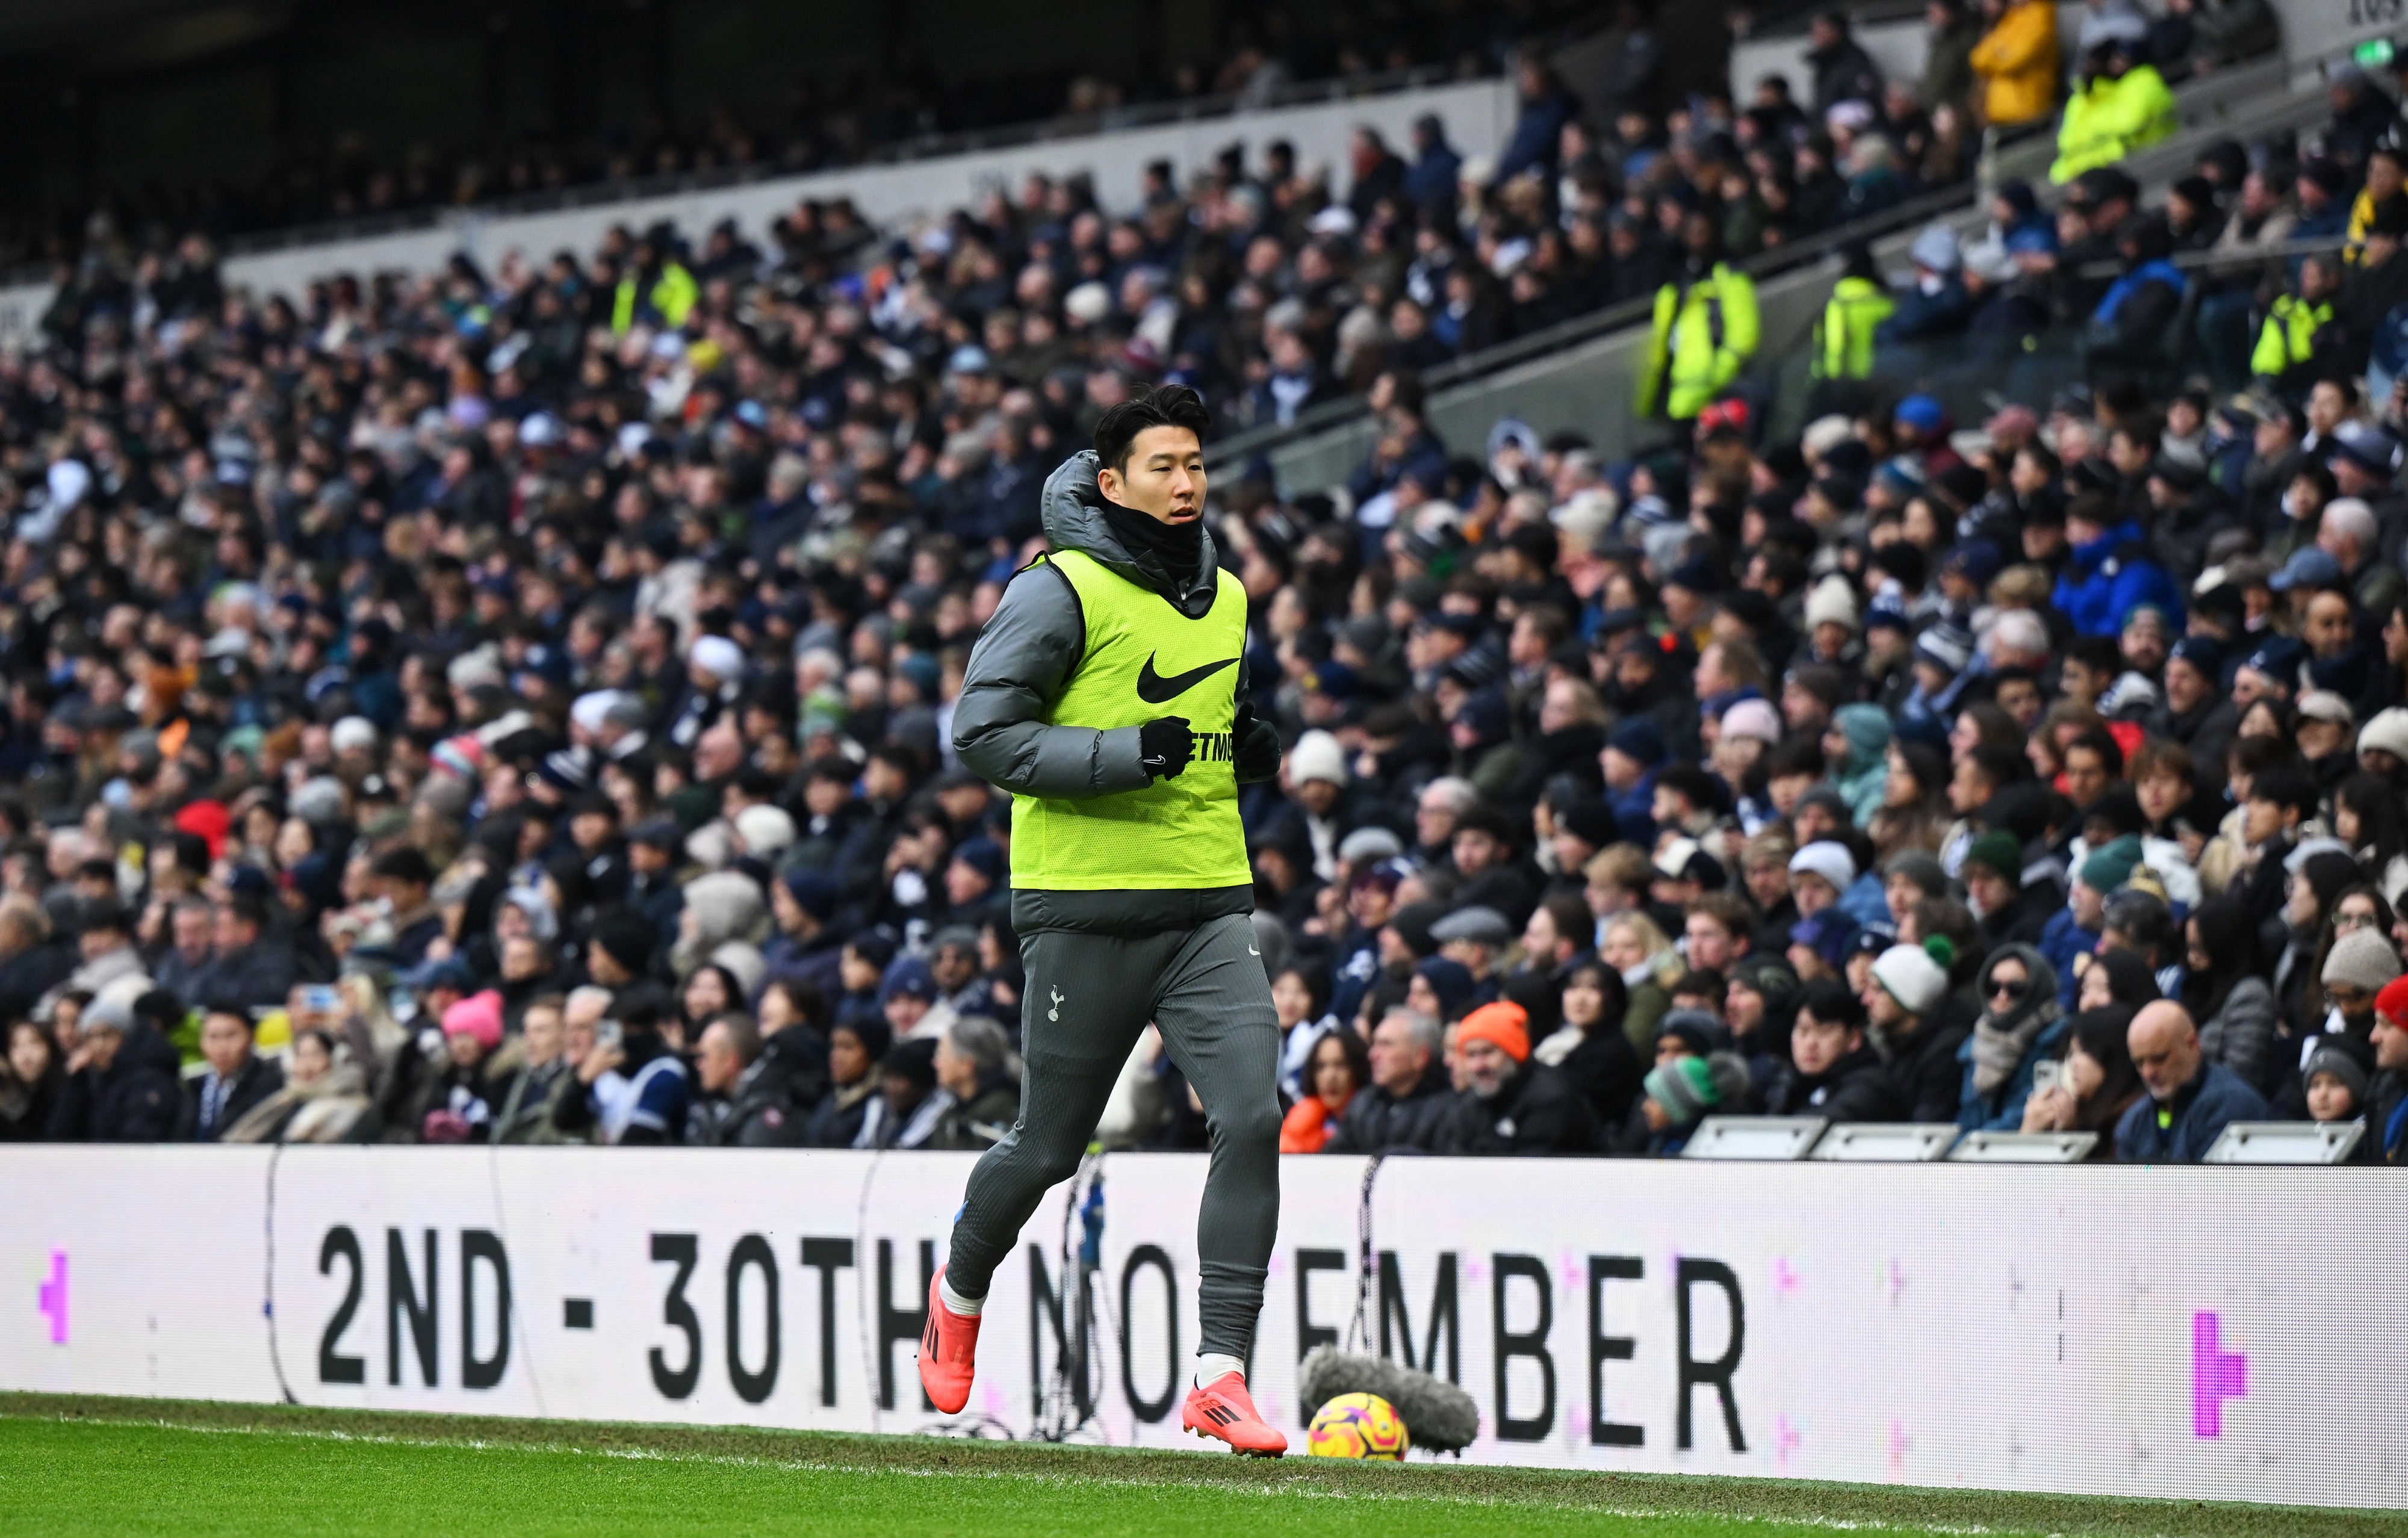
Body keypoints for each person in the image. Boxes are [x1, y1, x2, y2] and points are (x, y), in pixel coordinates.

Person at [920, 385, 1290, 1455]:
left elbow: (1208, 719)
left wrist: (1247, 743)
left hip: (1209, 902)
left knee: (1254, 1117)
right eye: (1165, 467)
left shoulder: (1223, 594)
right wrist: (1128, 756)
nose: (1188, 484)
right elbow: (983, 735)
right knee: (1047, 1145)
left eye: (1199, 465)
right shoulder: (1058, 589)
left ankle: (1220, 1372)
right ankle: (960, 1287)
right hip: (1083, 907)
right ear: (1111, 480)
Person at [2116, 1000, 2268, 1162]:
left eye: (2159, 1059)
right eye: (2139, 1063)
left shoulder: (2230, 1104)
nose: (2148, 1073)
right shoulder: (2134, 1121)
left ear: (2192, 1044)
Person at [1440, 1001, 1599, 1155]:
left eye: (1488, 1052)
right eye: (1471, 1055)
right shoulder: (1472, 1105)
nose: (1478, 1066)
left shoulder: (1551, 1101)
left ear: (1513, 1052)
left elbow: (1533, 1173)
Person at [1958, 945, 2067, 1130]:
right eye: (1993, 988)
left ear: (2037, 990)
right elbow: (1966, 1119)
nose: (2002, 996)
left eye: (2015, 989)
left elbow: (2023, 1114)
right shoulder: (1976, 1044)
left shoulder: (2056, 1039)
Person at [1766, 979, 1907, 1120]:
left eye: (1824, 1032)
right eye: (1803, 1031)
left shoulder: (1870, 1087)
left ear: (1854, 1039)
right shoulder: (1787, 1083)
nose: (1810, 1043)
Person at [1865, 937, 1971, 1121]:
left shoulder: (1944, 1052)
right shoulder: (1892, 1042)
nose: (1866, 1000)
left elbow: (1928, 1128)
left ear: (1906, 998)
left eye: (1878, 990)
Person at [2020, 1004, 2146, 1158]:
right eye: (2072, 1053)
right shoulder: (2081, 1116)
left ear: (2112, 1057)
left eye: (2084, 1051)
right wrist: (2036, 1131)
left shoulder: (2132, 1120)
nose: (2074, 1063)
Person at [1531, 961, 1644, 1129]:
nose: (1580, 998)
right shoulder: (1574, 1042)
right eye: (1573, 988)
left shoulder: (1611, 1053)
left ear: (1613, 999)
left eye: (1593, 989)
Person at [1326, 1008, 1456, 1153]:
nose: (1373, 1055)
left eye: (1386, 1045)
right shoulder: (1363, 1104)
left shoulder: (1450, 1111)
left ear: (1421, 1057)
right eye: (1374, 1044)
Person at [685, 1014, 805, 1147]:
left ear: (730, 1062)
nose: (698, 1064)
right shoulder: (725, 1105)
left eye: (704, 1056)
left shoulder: (762, 1114)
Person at [176, 1000, 285, 1142]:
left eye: (231, 1036)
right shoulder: (193, 1087)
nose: (222, 1047)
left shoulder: (268, 1085)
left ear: (251, 1037)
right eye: (213, 1037)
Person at [931, 1016, 1023, 1152]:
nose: (936, 1063)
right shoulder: (953, 1114)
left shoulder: (1003, 1118)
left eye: (941, 1054)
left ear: (966, 1065)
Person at [1279, 1027, 1370, 1153]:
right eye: (1321, 1066)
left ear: (1358, 1069)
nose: (1330, 1076)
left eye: (1341, 1064)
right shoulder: (1301, 1121)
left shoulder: (1374, 1121)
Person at [805, 1019, 889, 1149]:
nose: (836, 1056)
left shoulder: (881, 1103)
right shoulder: (831, 1099)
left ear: (873, 1052)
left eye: (847, 1047)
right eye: (834, 1046)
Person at [0, 1019, 62, 1141]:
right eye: (16, 1045)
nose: (25, 1054)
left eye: (34, 1043)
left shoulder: (63, 1092)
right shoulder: (13, 1091)